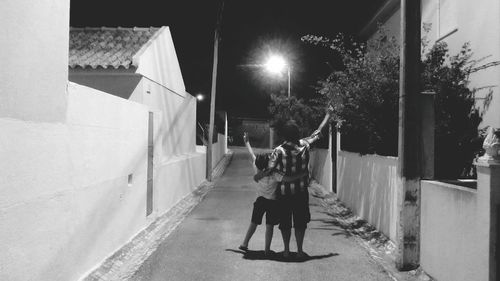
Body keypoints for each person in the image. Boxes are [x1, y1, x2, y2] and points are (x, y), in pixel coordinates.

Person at [255, 109, 331, 259]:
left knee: (285, 223)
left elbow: (269, 168)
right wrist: (328, 114)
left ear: (284, 135)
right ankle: (300, 250)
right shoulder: (305, 145)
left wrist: (259, 175)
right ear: (297, 133)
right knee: (300, 222)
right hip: (301, 193)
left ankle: (286, 250)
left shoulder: (278, 151)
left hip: (284, 194)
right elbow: (319, 131)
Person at [239, 132, 307, 255]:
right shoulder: (276, 174)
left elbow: (252, 155)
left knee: (253, 223)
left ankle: (244, 243)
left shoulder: (258, 170)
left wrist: (247, 142)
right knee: (269, 227)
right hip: (272, 203)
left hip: (260, 201)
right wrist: (301, 175)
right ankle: (266, 250)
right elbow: (288, 179)